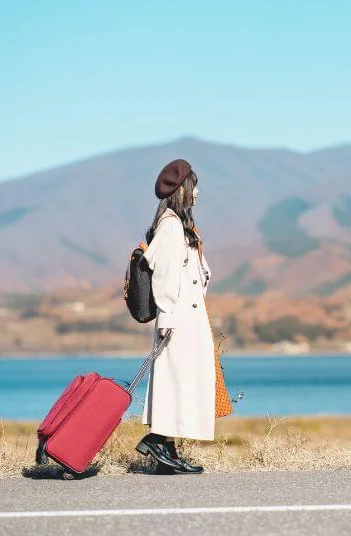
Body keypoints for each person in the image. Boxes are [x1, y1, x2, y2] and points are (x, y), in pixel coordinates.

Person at [135, 158, 214, 475]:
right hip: (177, 319)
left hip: (186, 318)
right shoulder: (169, 227)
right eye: (193, 188)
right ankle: (156, 440)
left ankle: (167, 449)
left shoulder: (179, 226)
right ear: (182, 190)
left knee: (181, 383)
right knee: (176, 382)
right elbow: (165, 276)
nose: (196, 195)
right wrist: (167, 316)